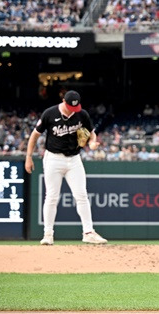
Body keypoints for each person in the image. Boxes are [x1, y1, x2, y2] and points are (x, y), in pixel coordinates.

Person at [24, 90, 108, 246]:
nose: (72, 110)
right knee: (52, 197)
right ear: (63, 101)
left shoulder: (81, 114)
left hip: (74, 159)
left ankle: (88, 232)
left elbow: (92, 133)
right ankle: (48, 234)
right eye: (70, 106)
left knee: (82, 195)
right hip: (53, 159)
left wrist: (91, 142)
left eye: (75, 107)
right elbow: (35, 135)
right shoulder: (50, 113)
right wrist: (28, 157)